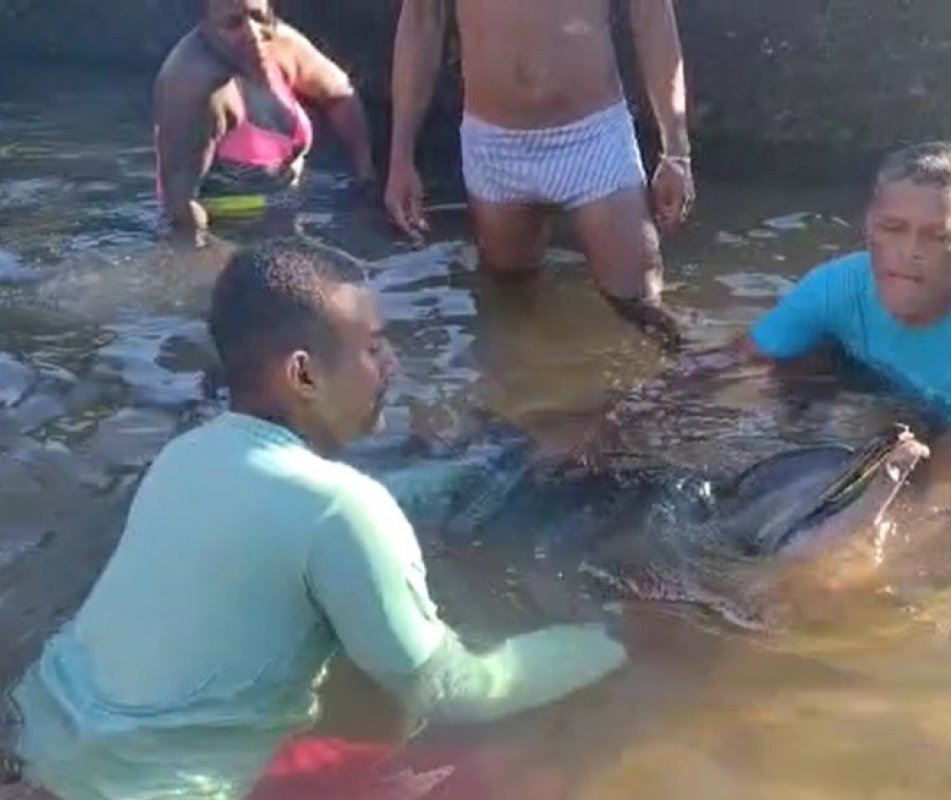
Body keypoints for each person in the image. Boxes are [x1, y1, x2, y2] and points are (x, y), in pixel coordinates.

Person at [2, 240, 626, 800]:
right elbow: (448, 688)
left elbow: (318, 515)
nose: (391, 365)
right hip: (153, 791)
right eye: (373, 346)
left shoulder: (188, 456)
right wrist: (613, 642)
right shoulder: (341, 508)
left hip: (37, 746)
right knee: (516, 772)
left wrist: (483, 472)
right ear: (302, 373)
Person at [600, 141, 951, 507]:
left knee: (942, 488)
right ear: (868, 227)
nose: (910, 253)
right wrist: (618, 418)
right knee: (796, 359)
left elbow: (941, 494)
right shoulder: (835, 286)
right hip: (891, 376)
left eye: (938, 236)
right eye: (893, 229)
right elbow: (732, 360)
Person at [385, 0, 695, 351]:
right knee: (509, 301)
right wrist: (401, 156)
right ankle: (525, 401)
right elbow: (421, 22)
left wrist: (676, 152)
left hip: (591, 138)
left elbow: (652, 16)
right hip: (494, 144)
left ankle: (684, 393)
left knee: (643, 310)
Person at [154, 0, 378, 233]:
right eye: (232, 24)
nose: (253, 34)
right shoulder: (193, 86)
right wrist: (204, 259)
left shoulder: (282, 44)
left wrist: (364, 174)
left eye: (258, 16)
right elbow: (180, 207)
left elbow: (339, 95)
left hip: (291, 206)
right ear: (205, 26)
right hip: (229, 228)